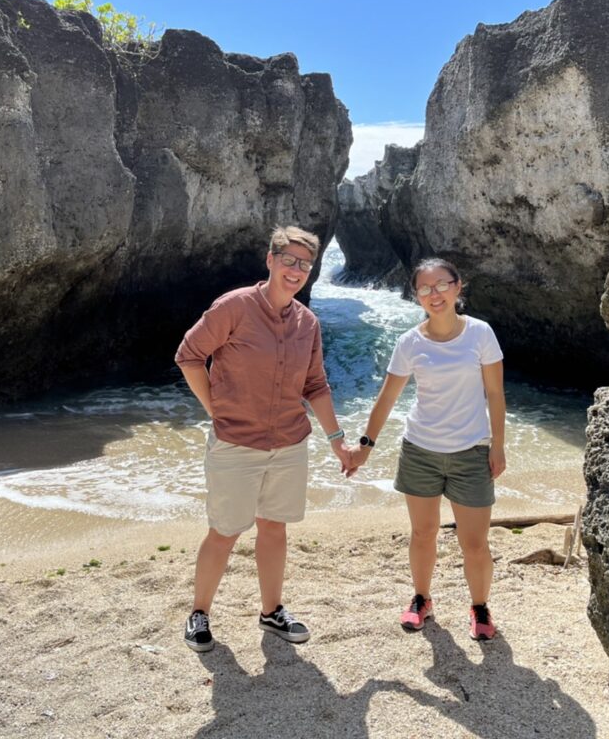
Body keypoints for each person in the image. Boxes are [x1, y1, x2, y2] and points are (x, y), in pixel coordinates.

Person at [175, 226, 352, 653]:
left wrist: (337, 441)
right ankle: (199, 613)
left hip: (289, 443)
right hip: (236, 442)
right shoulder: (235, 306)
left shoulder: (307, 322)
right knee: (225, 531)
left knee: (275, 528)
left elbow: (316, 385)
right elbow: (189, 355)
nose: (296, 270)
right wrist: (215, 409)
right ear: (270, 260)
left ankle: (271, 611)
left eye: (304, 265)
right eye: (288, 260)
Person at [347, 258, 506, 640]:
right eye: (425, 288)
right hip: (420, 450)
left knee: (474, 542)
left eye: (441, 285)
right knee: (422, 533)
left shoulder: (481, 334)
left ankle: (479, 607)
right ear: (416, 295)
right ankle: (422, 599)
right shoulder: (410, 342)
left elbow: (496, 394)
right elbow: (386, 399)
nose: (434, 294)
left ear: (457, 287)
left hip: (471, 452)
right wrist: (365, 446)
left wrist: (498, 446)